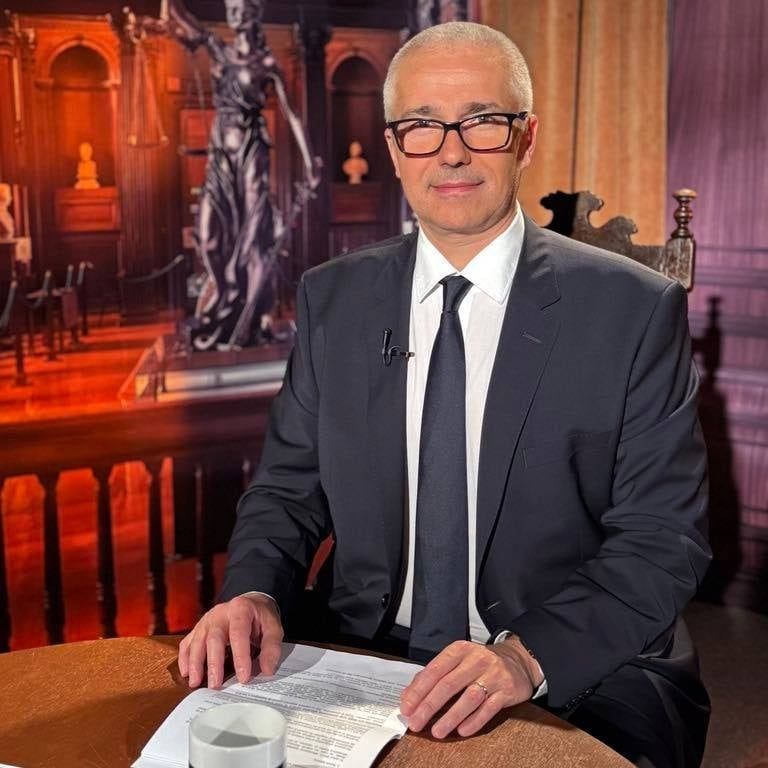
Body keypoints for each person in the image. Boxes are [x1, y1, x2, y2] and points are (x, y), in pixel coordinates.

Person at [178, 21, 711, 768]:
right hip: (362, 650)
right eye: (422, 126)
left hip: (569, 665)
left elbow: (663, 539)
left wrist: (523, 657)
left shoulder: (634, 310)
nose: (451, 152)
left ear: (525, 137)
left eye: (482, 121)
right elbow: (287, 493)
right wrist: (255, 595)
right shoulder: (334, 299)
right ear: (395, 148)